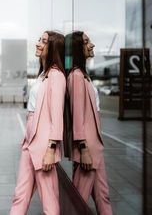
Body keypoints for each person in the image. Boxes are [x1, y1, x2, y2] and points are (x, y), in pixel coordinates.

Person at [10, 31, 66, 215]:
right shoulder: (43, 74)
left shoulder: (57, 76)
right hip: (30, 141)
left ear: (53, 48)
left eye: (43, 41)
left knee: (49, 201)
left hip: (44, 147)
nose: (38, 44)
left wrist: (51, 149)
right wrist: (27, 137)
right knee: (20, 195)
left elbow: (57, 117)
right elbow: (33, 112)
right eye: (39, 40)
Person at [67, 31, 113, 215]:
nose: (92, 45)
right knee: (78, 201)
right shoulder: (76, 76)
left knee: (103, 195)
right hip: (87, 148)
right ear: (79, 47)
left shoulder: (83, 76)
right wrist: (84, 148)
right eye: (86, 42)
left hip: (95, 147)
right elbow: (77, 116)